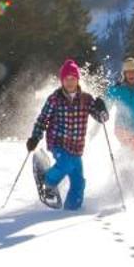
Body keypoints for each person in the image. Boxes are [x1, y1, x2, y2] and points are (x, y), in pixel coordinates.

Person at [26, 59, 108, 211]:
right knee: (65, 164)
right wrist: (35, 137)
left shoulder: (86, 99)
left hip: (76, 147)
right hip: (58, 142)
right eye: (66, 79)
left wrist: (102, 109)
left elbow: (101, 118)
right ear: (62, 81)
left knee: (79, 182)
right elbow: (43, 119)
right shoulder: (54, 99)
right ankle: (47, 181)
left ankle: (71, 210)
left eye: (73, 78)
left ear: (77, 80)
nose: (70, 82)